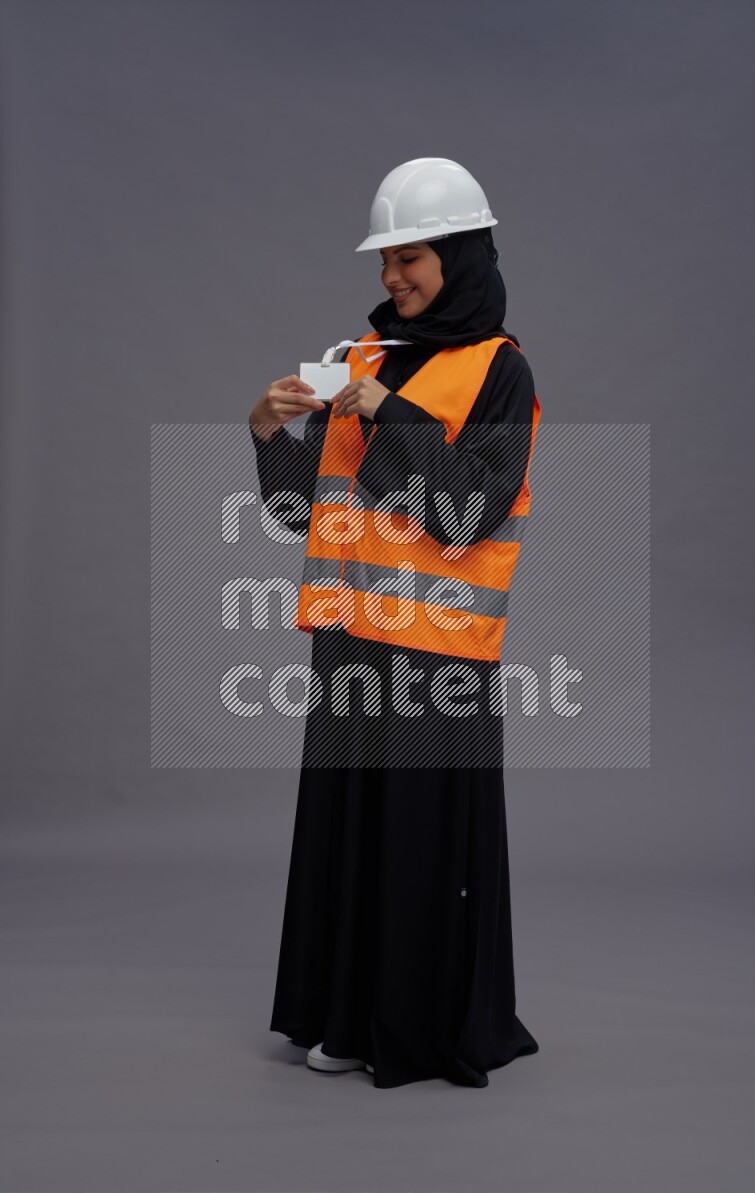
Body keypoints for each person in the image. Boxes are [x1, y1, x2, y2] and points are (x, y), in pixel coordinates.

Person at [249, 158, 542, 1089]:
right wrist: (268, 434)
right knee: (348, 828)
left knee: (415, 837)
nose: (391, 279)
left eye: (408, 258)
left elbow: (469, 514)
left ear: (457, 256)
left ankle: (408, 1031)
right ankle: (344, 1017)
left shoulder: (498, 368)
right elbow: (307, 512)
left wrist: (386, 412)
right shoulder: (361, 360)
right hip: (350, 638)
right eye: (384, 262)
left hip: (438, 652)